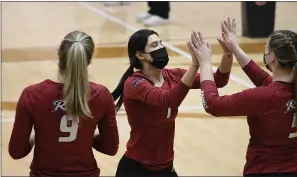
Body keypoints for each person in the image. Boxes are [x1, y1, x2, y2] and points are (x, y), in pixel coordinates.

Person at [188, 18, 297, 177]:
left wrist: (204, 63)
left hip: (264, 171)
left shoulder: (265, 96)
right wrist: (234, 48)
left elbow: (212, 104)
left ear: (271, 56)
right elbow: (265, 81)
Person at [111, 29, 234, 177]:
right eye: (154, 45)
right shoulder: (135, 83)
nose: (161, 48)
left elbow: (219, 80)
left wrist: (228, 54)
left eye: (161, 43)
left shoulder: (174, 75)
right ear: (140, 55)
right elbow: (169, 100)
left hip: (165, 166)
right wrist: (195, 65)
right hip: (137, 168)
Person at [9, 31, 119, 177]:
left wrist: (39, 136)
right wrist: (85, 135)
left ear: (59, 53)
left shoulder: (32, 94)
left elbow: (17, 152)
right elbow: (110, 148)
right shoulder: (101, 95)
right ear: (89, 60)